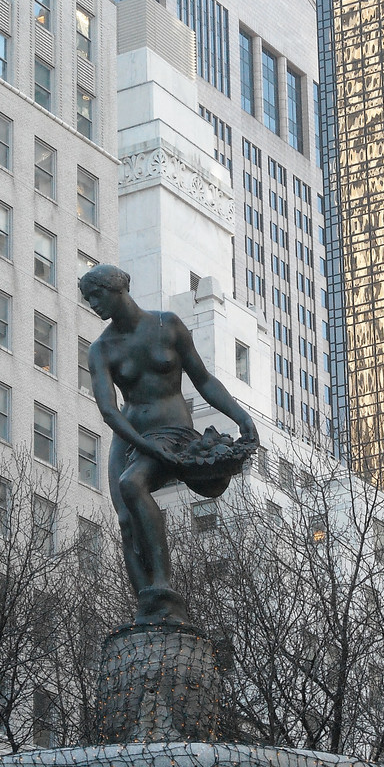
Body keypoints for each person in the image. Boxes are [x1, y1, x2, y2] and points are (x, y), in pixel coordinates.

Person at [79, 264, 258, 624]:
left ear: (115, 289)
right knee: (127, 521)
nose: (92, 305)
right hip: (129, 437)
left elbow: (204, 380)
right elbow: (109, 412)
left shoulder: (168, 325)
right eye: (88, 300)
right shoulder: (102, 349)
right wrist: (142, 447)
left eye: (96, 296)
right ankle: (150, 606)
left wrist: (242, 418)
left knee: (133, 483)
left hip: (173, 431)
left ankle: (162, 585)